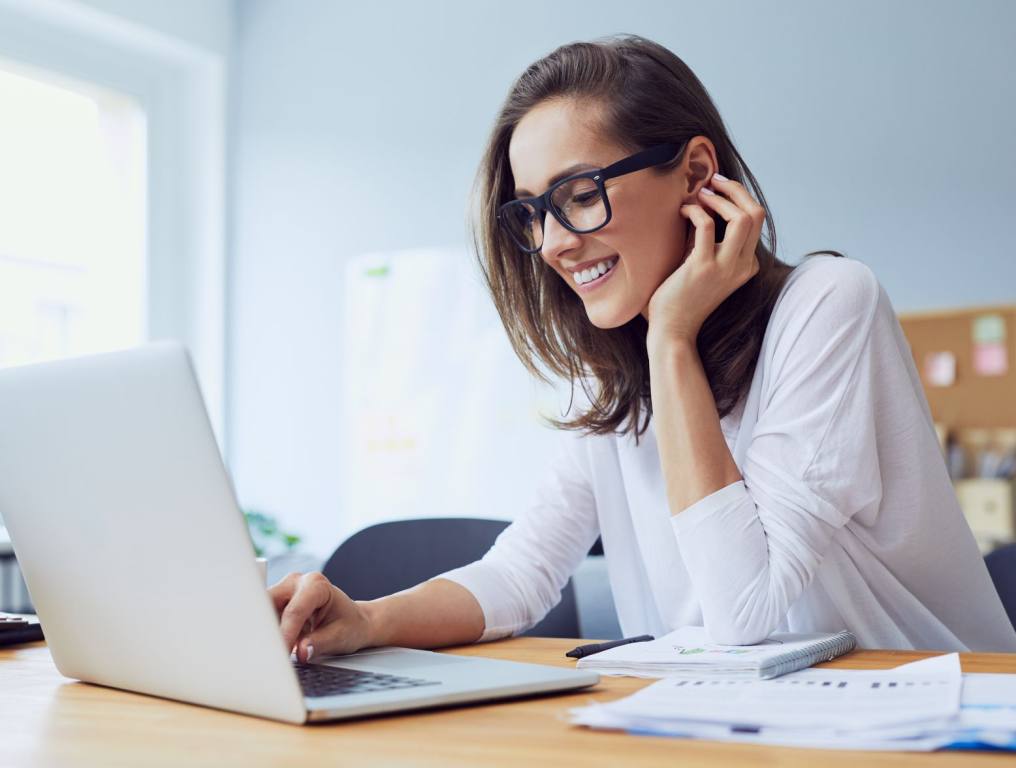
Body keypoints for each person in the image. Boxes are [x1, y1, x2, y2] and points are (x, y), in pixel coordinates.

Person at [269, 34, 1016, 662]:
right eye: (532, 212)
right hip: (734, 732)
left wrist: (672, 336)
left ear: (695, 174)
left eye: (581, 192)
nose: (555, 242)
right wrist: (367, 620)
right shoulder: (618, 379)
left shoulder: (829, 303)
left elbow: (742, 612)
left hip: (941, 731)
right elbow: (521, 574)